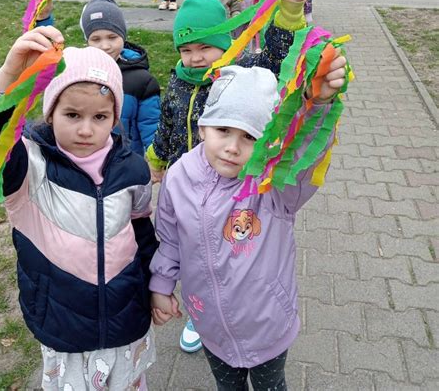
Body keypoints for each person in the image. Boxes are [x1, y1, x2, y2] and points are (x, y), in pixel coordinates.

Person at [0, 28, 158, 390]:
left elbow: (142, 231)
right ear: (51, 113)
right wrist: (6, 79)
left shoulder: (131, 167)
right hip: (62, 327)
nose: (86, 130)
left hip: (126, 320)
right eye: (72, 114)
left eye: (100, 117)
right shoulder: (27, 167)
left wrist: (156, 286)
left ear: (114, 118)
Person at [149, 60, 347, 391]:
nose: (232, 147)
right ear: (203, 127)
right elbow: (169, 238)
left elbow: (304, 158)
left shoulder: (273, 185)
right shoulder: (178, 176)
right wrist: (161, 285)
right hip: (210, 325)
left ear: (268, 143)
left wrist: (320, 106)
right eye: (223, 130)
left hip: (266, 325)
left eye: (249, 136)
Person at [146, 0, 313, 353]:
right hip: (186, 186)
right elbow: (169, 121)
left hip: (234, 188)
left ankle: (238, 312)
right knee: (193, 250)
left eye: (205, 47)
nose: (195, 58)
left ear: (226, 45)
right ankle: (201, 313)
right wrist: (157, 156)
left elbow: (276, 57)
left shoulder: (240, 75)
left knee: (228, 253)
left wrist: (288, 10)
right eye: (186, 50)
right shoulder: (177, 80)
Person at [80, 0, 161, 157]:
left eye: (112, 37)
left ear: (123, 37)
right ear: (87, 41)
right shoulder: (78, 75)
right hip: (86, 156)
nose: (105, 46)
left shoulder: (141, 80)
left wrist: (155, 160)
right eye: (96, 39)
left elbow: (150, 125)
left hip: (126, 160)